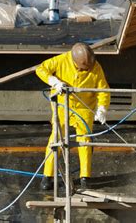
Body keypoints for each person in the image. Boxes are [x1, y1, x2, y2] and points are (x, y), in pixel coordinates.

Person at [36, 42, 110, 190]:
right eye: (84, 68)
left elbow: (103, 90)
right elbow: (41, 69)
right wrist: (54, 82)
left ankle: (85, 177)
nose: (88, 70)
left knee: (85, 140)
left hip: (84, 107)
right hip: (63, 106)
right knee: (56, 138)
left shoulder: (96, 67)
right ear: (74, 61)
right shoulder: (61, 60)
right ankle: (47, 176)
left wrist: (102, 108)